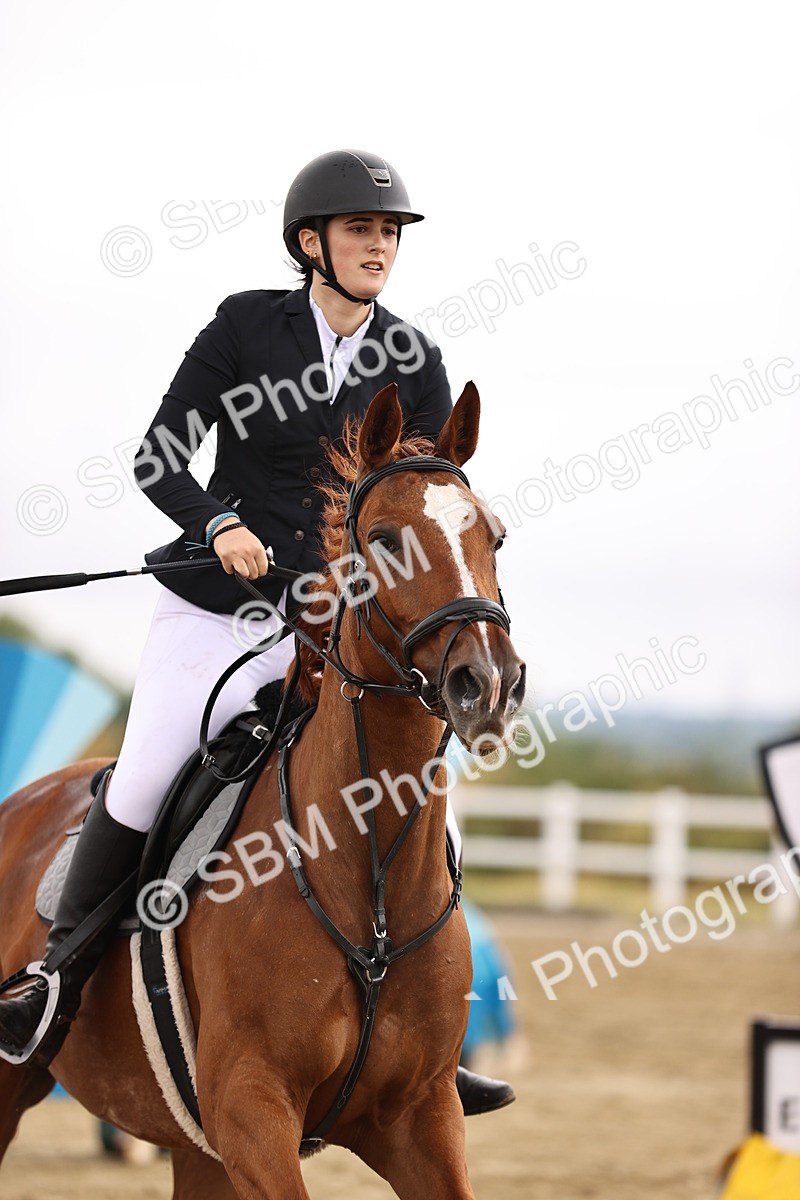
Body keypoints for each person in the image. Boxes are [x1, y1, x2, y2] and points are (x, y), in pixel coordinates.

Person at [0, 149, 514, 1114]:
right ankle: (53, 982)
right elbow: (160, 456)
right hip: (213, 615)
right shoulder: (245, 327)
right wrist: (216, 524)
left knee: (416, 780)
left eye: (390, 233)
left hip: (336, 633)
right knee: (150, 774)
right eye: (361, 230)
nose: (379, 247)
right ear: (310, 243)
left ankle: (428, 1028)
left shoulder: (416, 360)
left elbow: (436, 489)